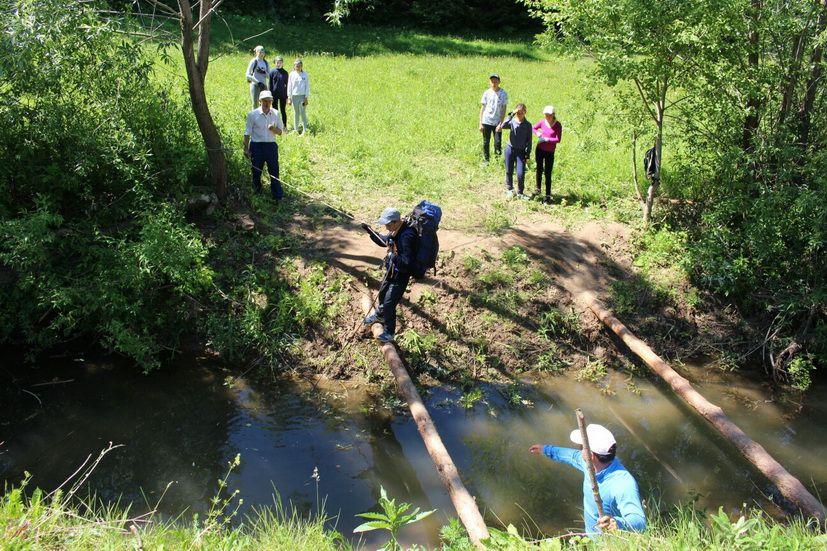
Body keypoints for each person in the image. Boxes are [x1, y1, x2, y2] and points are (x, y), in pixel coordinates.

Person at [528, 424, 646, 535]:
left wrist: (618, 523)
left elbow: (639, 520)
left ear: (591, 455)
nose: (579, 450)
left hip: (609, 541)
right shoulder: (589, 464)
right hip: (591, 533)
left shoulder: (622, 483)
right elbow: (572, 457)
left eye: (581, 447)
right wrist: (546, 450)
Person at [361, 208, 418, 343]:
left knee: (389, 303)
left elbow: (407, 262)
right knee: (382, 294)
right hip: (392, 271)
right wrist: (370, 231)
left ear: (396, 221)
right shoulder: (396, 229)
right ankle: (379, 316)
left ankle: (389, 332)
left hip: (400, 275)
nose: (385, 227)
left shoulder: (406, 236)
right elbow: (385, 240)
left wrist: (393, 256)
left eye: (387, 224)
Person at [243, 90, 285, 200]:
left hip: (271, 146)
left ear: (271, 101)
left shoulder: (276, 113)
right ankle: (257, 195)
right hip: (257, 146)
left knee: (274, 171)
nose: (267, 103)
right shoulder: (252, 114)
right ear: (259, 101)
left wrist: (273, 129)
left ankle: (277, 196)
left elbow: (280, 132)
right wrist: (246, 149)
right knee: (256, 172)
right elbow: (247, 133)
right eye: (264, 101)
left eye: (269, 101)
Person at [497, 103, 532, 199]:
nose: (519, 114)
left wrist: (527, 154)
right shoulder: (512, 122)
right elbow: (503, 126)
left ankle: (520, 192)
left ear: (525, 112)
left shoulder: (528, 125)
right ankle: (510, 190)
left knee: (520, 173)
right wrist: (512, 113)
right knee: (509, 170)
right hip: (510, 149)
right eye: (518, 112)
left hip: (520, 152)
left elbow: (529, 141)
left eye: (521, 112)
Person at [532, 105, 563, 204]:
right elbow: (533, 128)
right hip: (540, 149)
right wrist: (538, 134)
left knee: (548, 172)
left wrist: (547, 139)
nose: (547, 117)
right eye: (546, 115)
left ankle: (548, 194)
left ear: (553, 115)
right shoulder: (542, 122)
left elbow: (558, 139)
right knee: (539, 168)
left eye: (549, 115)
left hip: (550, 152)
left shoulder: (557, 125)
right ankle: (538, 189)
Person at [479, 74, 508, 163]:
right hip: (486, 121)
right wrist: (480, 123)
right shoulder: (486, 93)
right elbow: (482, 108)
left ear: (499, 82)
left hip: (497, 123)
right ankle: (486, 161)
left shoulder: (503, 93)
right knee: (486, 142)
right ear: (490, 82)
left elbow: (504, 109)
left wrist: (501, 123)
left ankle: (497, 161)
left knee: (497, 143)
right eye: (492, 81)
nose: (494, 83)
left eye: (495, 81)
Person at [287, 59, 310, 134]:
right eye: (296, 65)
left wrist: (306, 97)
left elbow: (307, 86)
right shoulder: (291, 74)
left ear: (301, 66)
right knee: (296, 113)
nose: (298, 67)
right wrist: (289, 97)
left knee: (303, 112)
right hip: (294, 96)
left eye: (299, 65)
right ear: (294, 66)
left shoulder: (305, 74)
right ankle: (296, 129)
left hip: (302, 96)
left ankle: (305, 130)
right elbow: (289, 86)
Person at [246, 45, 270, 110]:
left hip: (264, 86)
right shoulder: (254, 61)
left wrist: (264, 72)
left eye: (263, 52)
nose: (261, 54)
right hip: (255, 85)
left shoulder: (266, 63)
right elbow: (247, 75)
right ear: (256, 52)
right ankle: (254, 119)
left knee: (264, 104)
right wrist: (258, 82)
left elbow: (269, 76)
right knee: (255, 104)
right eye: (259, 52)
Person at [268, 55, 289, 128]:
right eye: (277, 62)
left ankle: (284, 126)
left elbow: (288, 85)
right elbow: (270, 85)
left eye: (280, 62)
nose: (278, 63)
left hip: (283, 94)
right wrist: (270, 95)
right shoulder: (272, 72)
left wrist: (287, 97)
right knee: (274, 111)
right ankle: (276, 126)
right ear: (275, 63)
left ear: (282, 63)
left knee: (283, 110)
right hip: (274, 95)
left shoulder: (285, 73)